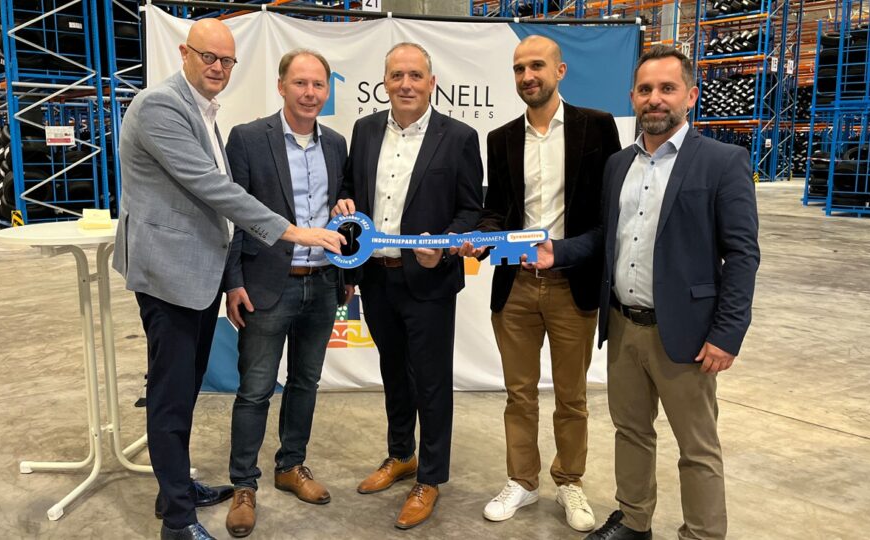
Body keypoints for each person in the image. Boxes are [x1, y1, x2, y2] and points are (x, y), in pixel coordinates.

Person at [113, 19, 343, 540]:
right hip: (169, 276)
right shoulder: (161, 105)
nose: (218, 67)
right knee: (171, 396)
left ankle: (175, 488)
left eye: (226, 60)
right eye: (208, 56)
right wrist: (290, 231)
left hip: (196, 276)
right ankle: (178, 521)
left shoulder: (203, 111)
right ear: (184, 53)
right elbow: (212, 187)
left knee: (184, 391)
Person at [584, 45, 759, 540]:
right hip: (624, 325)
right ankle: (633, 520)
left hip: (688, 335)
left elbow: (742, 254)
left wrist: (727, 333)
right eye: (645, 89)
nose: (655, 99)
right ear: (632, 98)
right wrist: (556, 251)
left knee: (697, 447)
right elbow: (607, 238)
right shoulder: (618, 165)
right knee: (631, 432)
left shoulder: (722, 162)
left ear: (691, 96)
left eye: (667, 88)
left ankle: (702, 534)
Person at [461, 35, 621, 532]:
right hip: (516, 287)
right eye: (518, 68)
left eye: (536, 66)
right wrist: (481, 237)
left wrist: (564, 252)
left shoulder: (597, 126)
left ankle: (569, 480)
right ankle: (523, 481)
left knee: (572, 397)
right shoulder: (501, 138)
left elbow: (608, 216)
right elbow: (496, 210)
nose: (527, 76)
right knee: (519, 393)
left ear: (560, 70)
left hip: (573, 283)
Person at [332, 42, 483, 530]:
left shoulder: (458, 137)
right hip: (377, 277)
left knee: (432, 381)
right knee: (394, 373)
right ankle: (401, 455)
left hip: (430, 280)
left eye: (415, 75)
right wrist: (342, 203)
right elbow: (350, 189)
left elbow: (471, 210)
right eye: (396, 75)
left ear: (431, 82)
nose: (406, 84)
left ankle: (430, 478)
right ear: (385, 82)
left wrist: (445, 246)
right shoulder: (365, 129)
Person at [220, 49, 353, 538]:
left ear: (327, 90)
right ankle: (243, 484)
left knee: (305, 382)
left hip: (322, 284)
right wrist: (233, 281)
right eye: (300, 83)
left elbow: (343, 210)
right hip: (265, 286)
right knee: (255, 389)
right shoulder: (249, 138)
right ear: (281, 87)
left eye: (318, 84)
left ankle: (291, 465)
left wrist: (348, 268)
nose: (310, 93)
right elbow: (233, 214)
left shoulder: (336, 143)